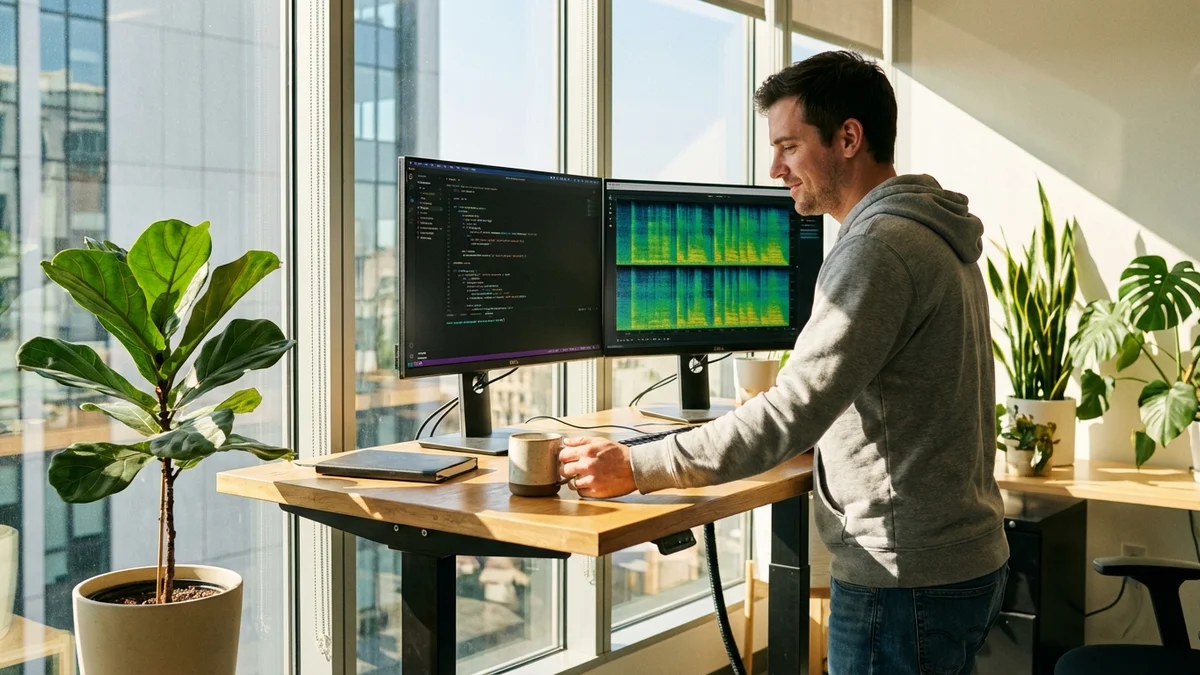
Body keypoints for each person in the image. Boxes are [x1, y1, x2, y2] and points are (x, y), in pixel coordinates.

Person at [558, 50, 1009, 674]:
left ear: (848, 138)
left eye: (789, 147)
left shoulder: (877, 248)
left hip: (903, 579)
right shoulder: (930, 232)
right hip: (955, 555)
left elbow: (792, 411)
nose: (775, 169)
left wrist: (637, 464)